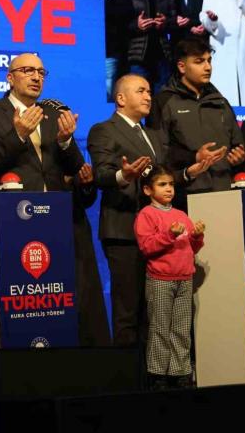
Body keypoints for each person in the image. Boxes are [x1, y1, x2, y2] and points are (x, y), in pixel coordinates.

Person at [88, 73, 214, 347]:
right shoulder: (103, 130)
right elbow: (101, 174)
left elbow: (161, 179)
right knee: (128, 309)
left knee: (154, 313)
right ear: (121, 98)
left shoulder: (153, 135)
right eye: (141, 91)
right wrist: (124, 174)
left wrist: (188, 173)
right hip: (124, 231)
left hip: (161, 234)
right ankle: (127, 370)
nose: (148, 96)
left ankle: (153, 368)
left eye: (149, 91)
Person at [148, 37, 245, 209]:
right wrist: (194, 157)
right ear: (182, 67)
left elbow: (237, 144)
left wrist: (238, 156)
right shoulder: (164, 101)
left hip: (224, 193)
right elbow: (157, 152)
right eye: (199, 62)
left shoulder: (221, 102)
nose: (208, 67)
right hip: (183, 196)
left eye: (209, 61)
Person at [0, 53, 84, 192]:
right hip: (11, 201)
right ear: (10, 78)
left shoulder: (54, 115)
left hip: (54, 202)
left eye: (41, 72)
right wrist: (18, 135)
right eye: (28, 70)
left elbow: (75, 169)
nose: (36, 78)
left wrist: (65, 142)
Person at [134, 165, 205, 390]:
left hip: (184, 278)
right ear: (148, 190)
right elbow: (147, 246)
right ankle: (158, 374)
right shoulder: (147, 215)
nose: (168, 189)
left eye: (171, 184)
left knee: (182, 328)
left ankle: (180, 372)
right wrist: (169, 234)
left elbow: (192, 248)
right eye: (162, 184)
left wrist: (197, 236)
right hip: (160, 279)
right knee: (160, 327)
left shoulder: (181, 215)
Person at [62, 163, 111, 346]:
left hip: (74, 228)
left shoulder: (66, 151)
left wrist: (86, 183)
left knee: (86, 300)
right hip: (33, 227)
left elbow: (86, 198)